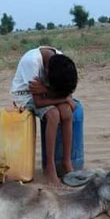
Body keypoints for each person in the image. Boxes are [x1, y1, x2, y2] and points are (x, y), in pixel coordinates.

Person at [10, 46, 78, 187]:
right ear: (46, 72)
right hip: (25, 96)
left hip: (48, 92)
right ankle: (50, 167)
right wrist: (64, 98)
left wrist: (51, 91)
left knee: (66, 111)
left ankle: (67, 161)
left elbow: (65, 88)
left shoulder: (59, 59)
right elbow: (39, 102)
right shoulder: (32, 63)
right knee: (53, 114)